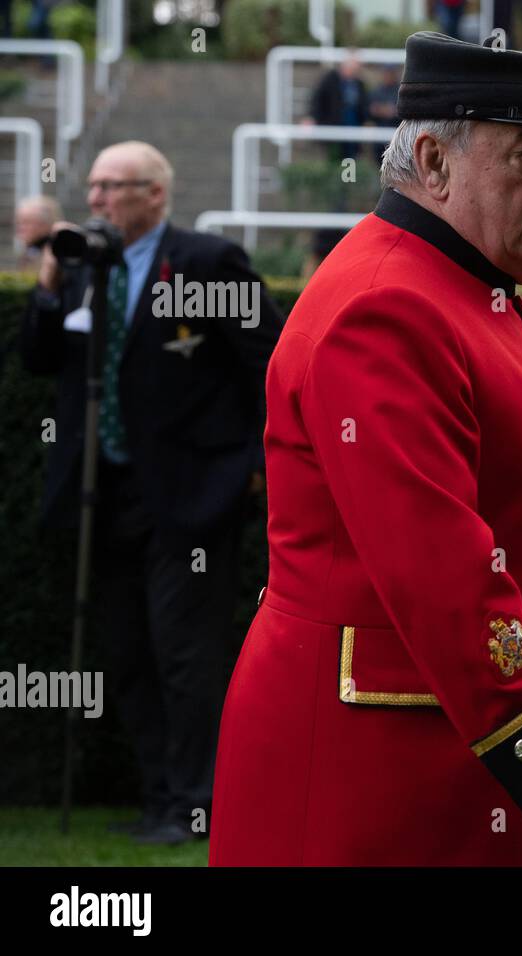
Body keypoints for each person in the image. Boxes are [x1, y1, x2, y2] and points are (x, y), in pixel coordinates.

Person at [209, 32, 522, 867]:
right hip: (395, 779)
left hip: (448, 766)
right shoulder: (388, 306)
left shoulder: (461, 286)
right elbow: (438, 567)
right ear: (432, 162)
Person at [18, 141, 284, 845]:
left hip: (190, 499)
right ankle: (158, 798)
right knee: (128, 654)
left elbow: (272, 363)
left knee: (186, 656)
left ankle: (197, 804)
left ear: (155, 195)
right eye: (95, 186)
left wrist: (252, 468)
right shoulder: (84, 263)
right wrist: (48, 283)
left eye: (114, 187)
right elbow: (41, 359)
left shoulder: (203, 263)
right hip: (99, 495)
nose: (98, 199)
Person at [306, 50, 369, 161]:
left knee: (350, 160)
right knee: (334, 158)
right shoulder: (330, 79)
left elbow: (363, 106)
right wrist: (312, 117)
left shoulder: (358, 83)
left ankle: (348, 178)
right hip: (333, 126)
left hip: (352, 128)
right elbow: (317, 99)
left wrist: (367, 121)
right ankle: (335, 177)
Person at [13, 194, 61, 273]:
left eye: (26, 222)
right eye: (18, 223)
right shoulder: (30, 251)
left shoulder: (55, 255)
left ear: (46, 224)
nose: (20, 229)